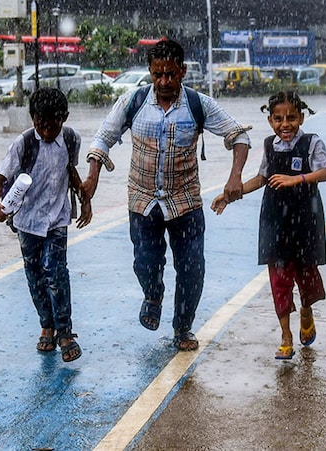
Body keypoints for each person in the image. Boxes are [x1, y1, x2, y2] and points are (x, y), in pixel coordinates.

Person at [81, 39, 251, 352]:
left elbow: (238, 135)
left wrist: (235, 176)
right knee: (144, 263)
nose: (164, 82)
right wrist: (93, 176)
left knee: (192, 268)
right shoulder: (133, 102)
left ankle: (183, 327)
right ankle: (153, 293)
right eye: (158, 74)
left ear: (183, 71)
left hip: (185, 201)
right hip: (143, 201)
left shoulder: (198, 104)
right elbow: (103, 137)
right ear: (150, 71)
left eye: (171, 74)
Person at [211, 90, 326, 360]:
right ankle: (286, 336)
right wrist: (231, 195)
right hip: (274, 221)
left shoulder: (312, 142)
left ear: (301, 117)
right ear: (270, 121)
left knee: (308, 277)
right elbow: (261, 179)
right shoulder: (268, 145)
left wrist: (296, 179)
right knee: (279, 280)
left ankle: (306, 310)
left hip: (306, 222)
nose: (285, 124)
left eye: (291, 117)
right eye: (278, 119)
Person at [0, 87, 92, 363]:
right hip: (27, 221)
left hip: (58, 219)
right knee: (35, 275)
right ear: (33, 118)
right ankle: (47, 324)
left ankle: (65, 332)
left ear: (64, 118)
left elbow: (70, 170)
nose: (47, 130)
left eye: (53, 125)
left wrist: (85, 200)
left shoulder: (71, 139)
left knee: (57, 272)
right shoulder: (24, 143)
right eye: (41, 124)